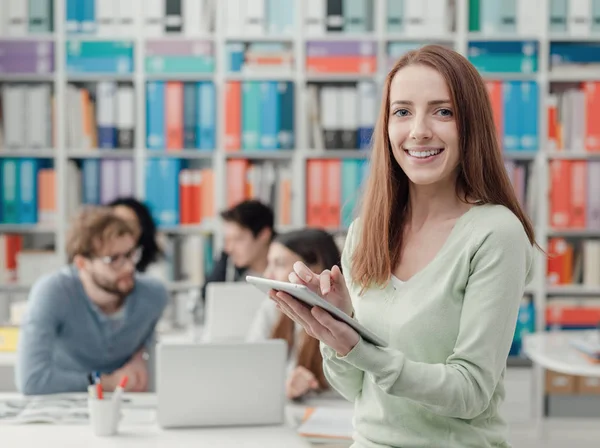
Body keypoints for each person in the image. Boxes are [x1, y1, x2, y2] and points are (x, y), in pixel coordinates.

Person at [270, 45, 537, 447]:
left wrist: (360, 348)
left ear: (472, 125)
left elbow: (471, 392)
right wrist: (335, 330)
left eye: (442, 111)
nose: (419, 131)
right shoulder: (365, 232)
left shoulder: (496, 234)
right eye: (403, 112)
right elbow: (354, 389)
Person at [15, 206, 169, 395]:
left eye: (130, 254)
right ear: (82, 264)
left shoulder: (153, 296)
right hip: (63, 402)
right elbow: (32, 381)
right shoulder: (53, 293)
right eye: (113, 259)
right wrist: (106, 382)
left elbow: (147, 348)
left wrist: (141, 359)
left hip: (125, 404)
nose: (129, 267)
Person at [247, 229, 341, 400]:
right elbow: (250, 367)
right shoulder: (272, 307)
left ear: (313, 269)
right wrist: (285, 387)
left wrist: (309, 386)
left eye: (279, 264)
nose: (268, 275)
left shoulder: (342, 315)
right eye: (269, 264)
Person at [201, 199, 274, 299]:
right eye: (227, 240)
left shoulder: (285, 273)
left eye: (238, 239)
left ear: (264, 235)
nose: (229, 249)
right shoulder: (228, 269)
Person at [108, 197, 162, 273]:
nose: (121, 231)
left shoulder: (156, 270)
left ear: (142, 228)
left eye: (129, 224)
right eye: (116, 223)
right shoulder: (101, 263)